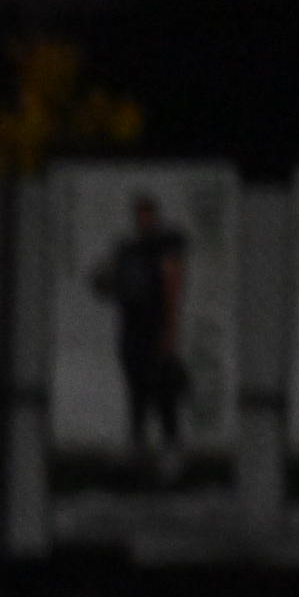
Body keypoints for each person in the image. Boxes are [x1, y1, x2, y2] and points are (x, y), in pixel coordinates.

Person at [90, 192, 189, 474]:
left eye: (148, 214)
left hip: (154, 329)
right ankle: (138, 446)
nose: (144, 220)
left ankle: (170, 448)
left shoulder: (164, 246)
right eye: (140, 214)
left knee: (162, 391)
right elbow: (105, 281)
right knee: (137, 392)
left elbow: (172, 287)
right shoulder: (129, 249)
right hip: (132, 330)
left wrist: (169, 333)